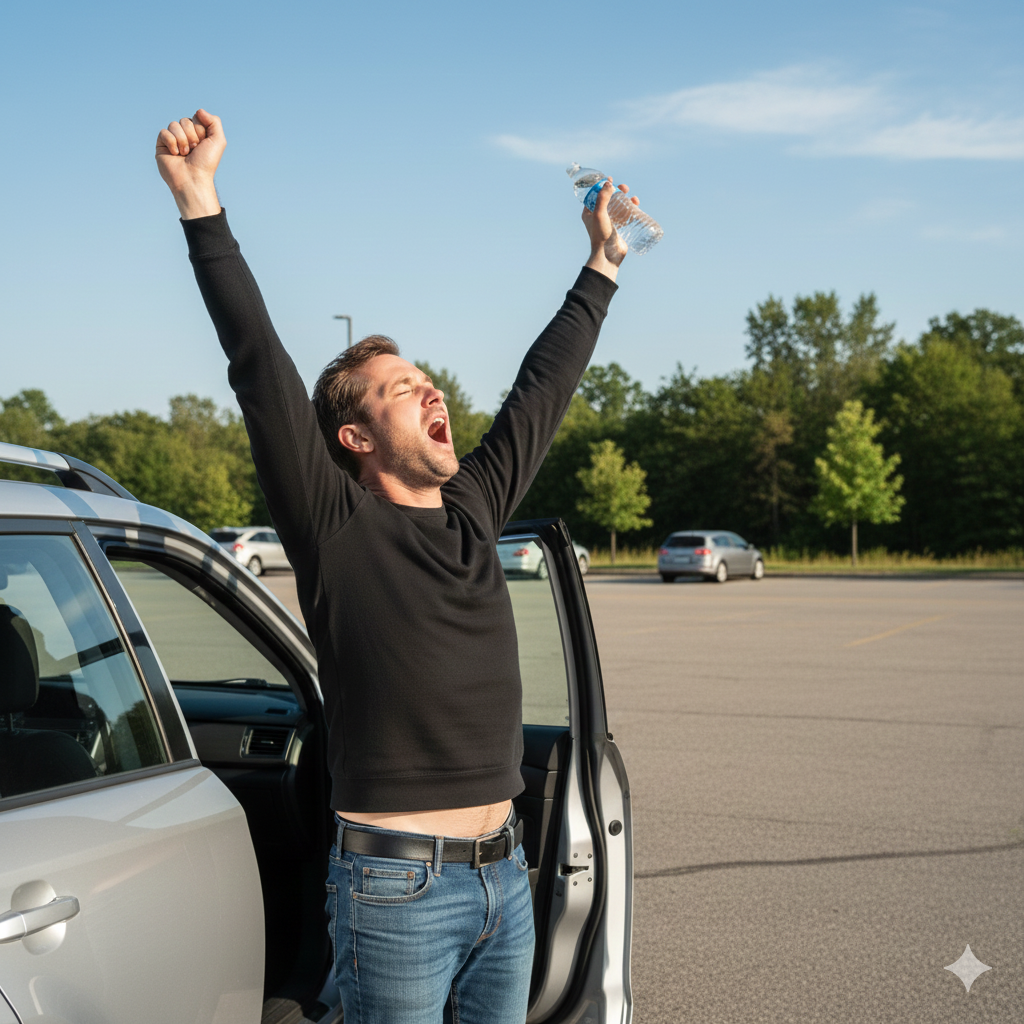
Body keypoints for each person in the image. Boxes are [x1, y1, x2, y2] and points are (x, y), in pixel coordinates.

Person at [156, 108, 632, 1024]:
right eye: (401, 388)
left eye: (429, 380)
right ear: (354, 435)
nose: (431, 390)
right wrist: (200, 205)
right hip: (394, 892)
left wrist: (601, 264)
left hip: (507, 878)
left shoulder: (474, 508)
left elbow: (543, 390)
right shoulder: (335, 526)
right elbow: (259, 364)